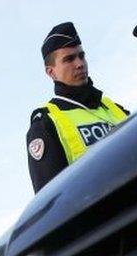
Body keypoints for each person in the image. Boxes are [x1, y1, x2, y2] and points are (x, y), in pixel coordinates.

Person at [26, 22, 129, 192]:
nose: (80, 63)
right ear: (51, 72)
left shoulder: (115, 108)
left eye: (81, 56)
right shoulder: (46, 124)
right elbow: (52, 202)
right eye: (69, 59)